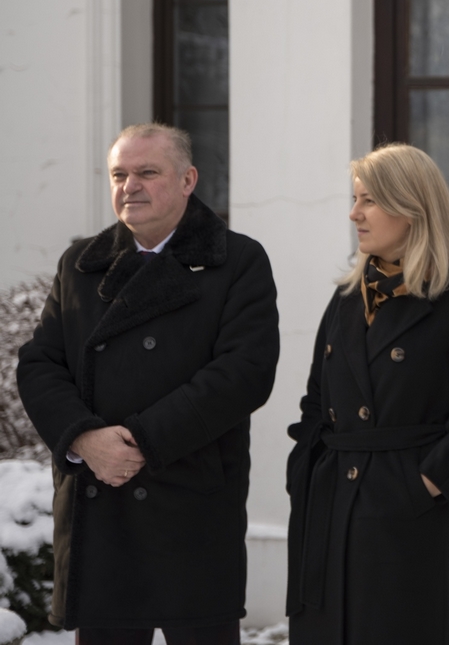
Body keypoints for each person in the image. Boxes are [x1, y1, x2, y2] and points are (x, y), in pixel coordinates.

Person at [16, 123, 280, 643]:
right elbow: (39, 363)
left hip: (191, 501)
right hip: (101, 506)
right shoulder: (81, 264)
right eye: (119, 174)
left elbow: (244, 373)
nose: (129, 186)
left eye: (147, 172)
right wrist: (85, 439)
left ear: (188, 180)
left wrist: (139, 441)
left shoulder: (237, 260)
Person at [285, 143, 449, 644]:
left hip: (405, 515)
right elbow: (315, 400)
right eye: (355, 199)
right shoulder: (348, 297)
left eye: (368, 200)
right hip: (328, 507)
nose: (354, 213)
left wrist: (421, 487)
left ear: (411, 208)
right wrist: (305, 472)